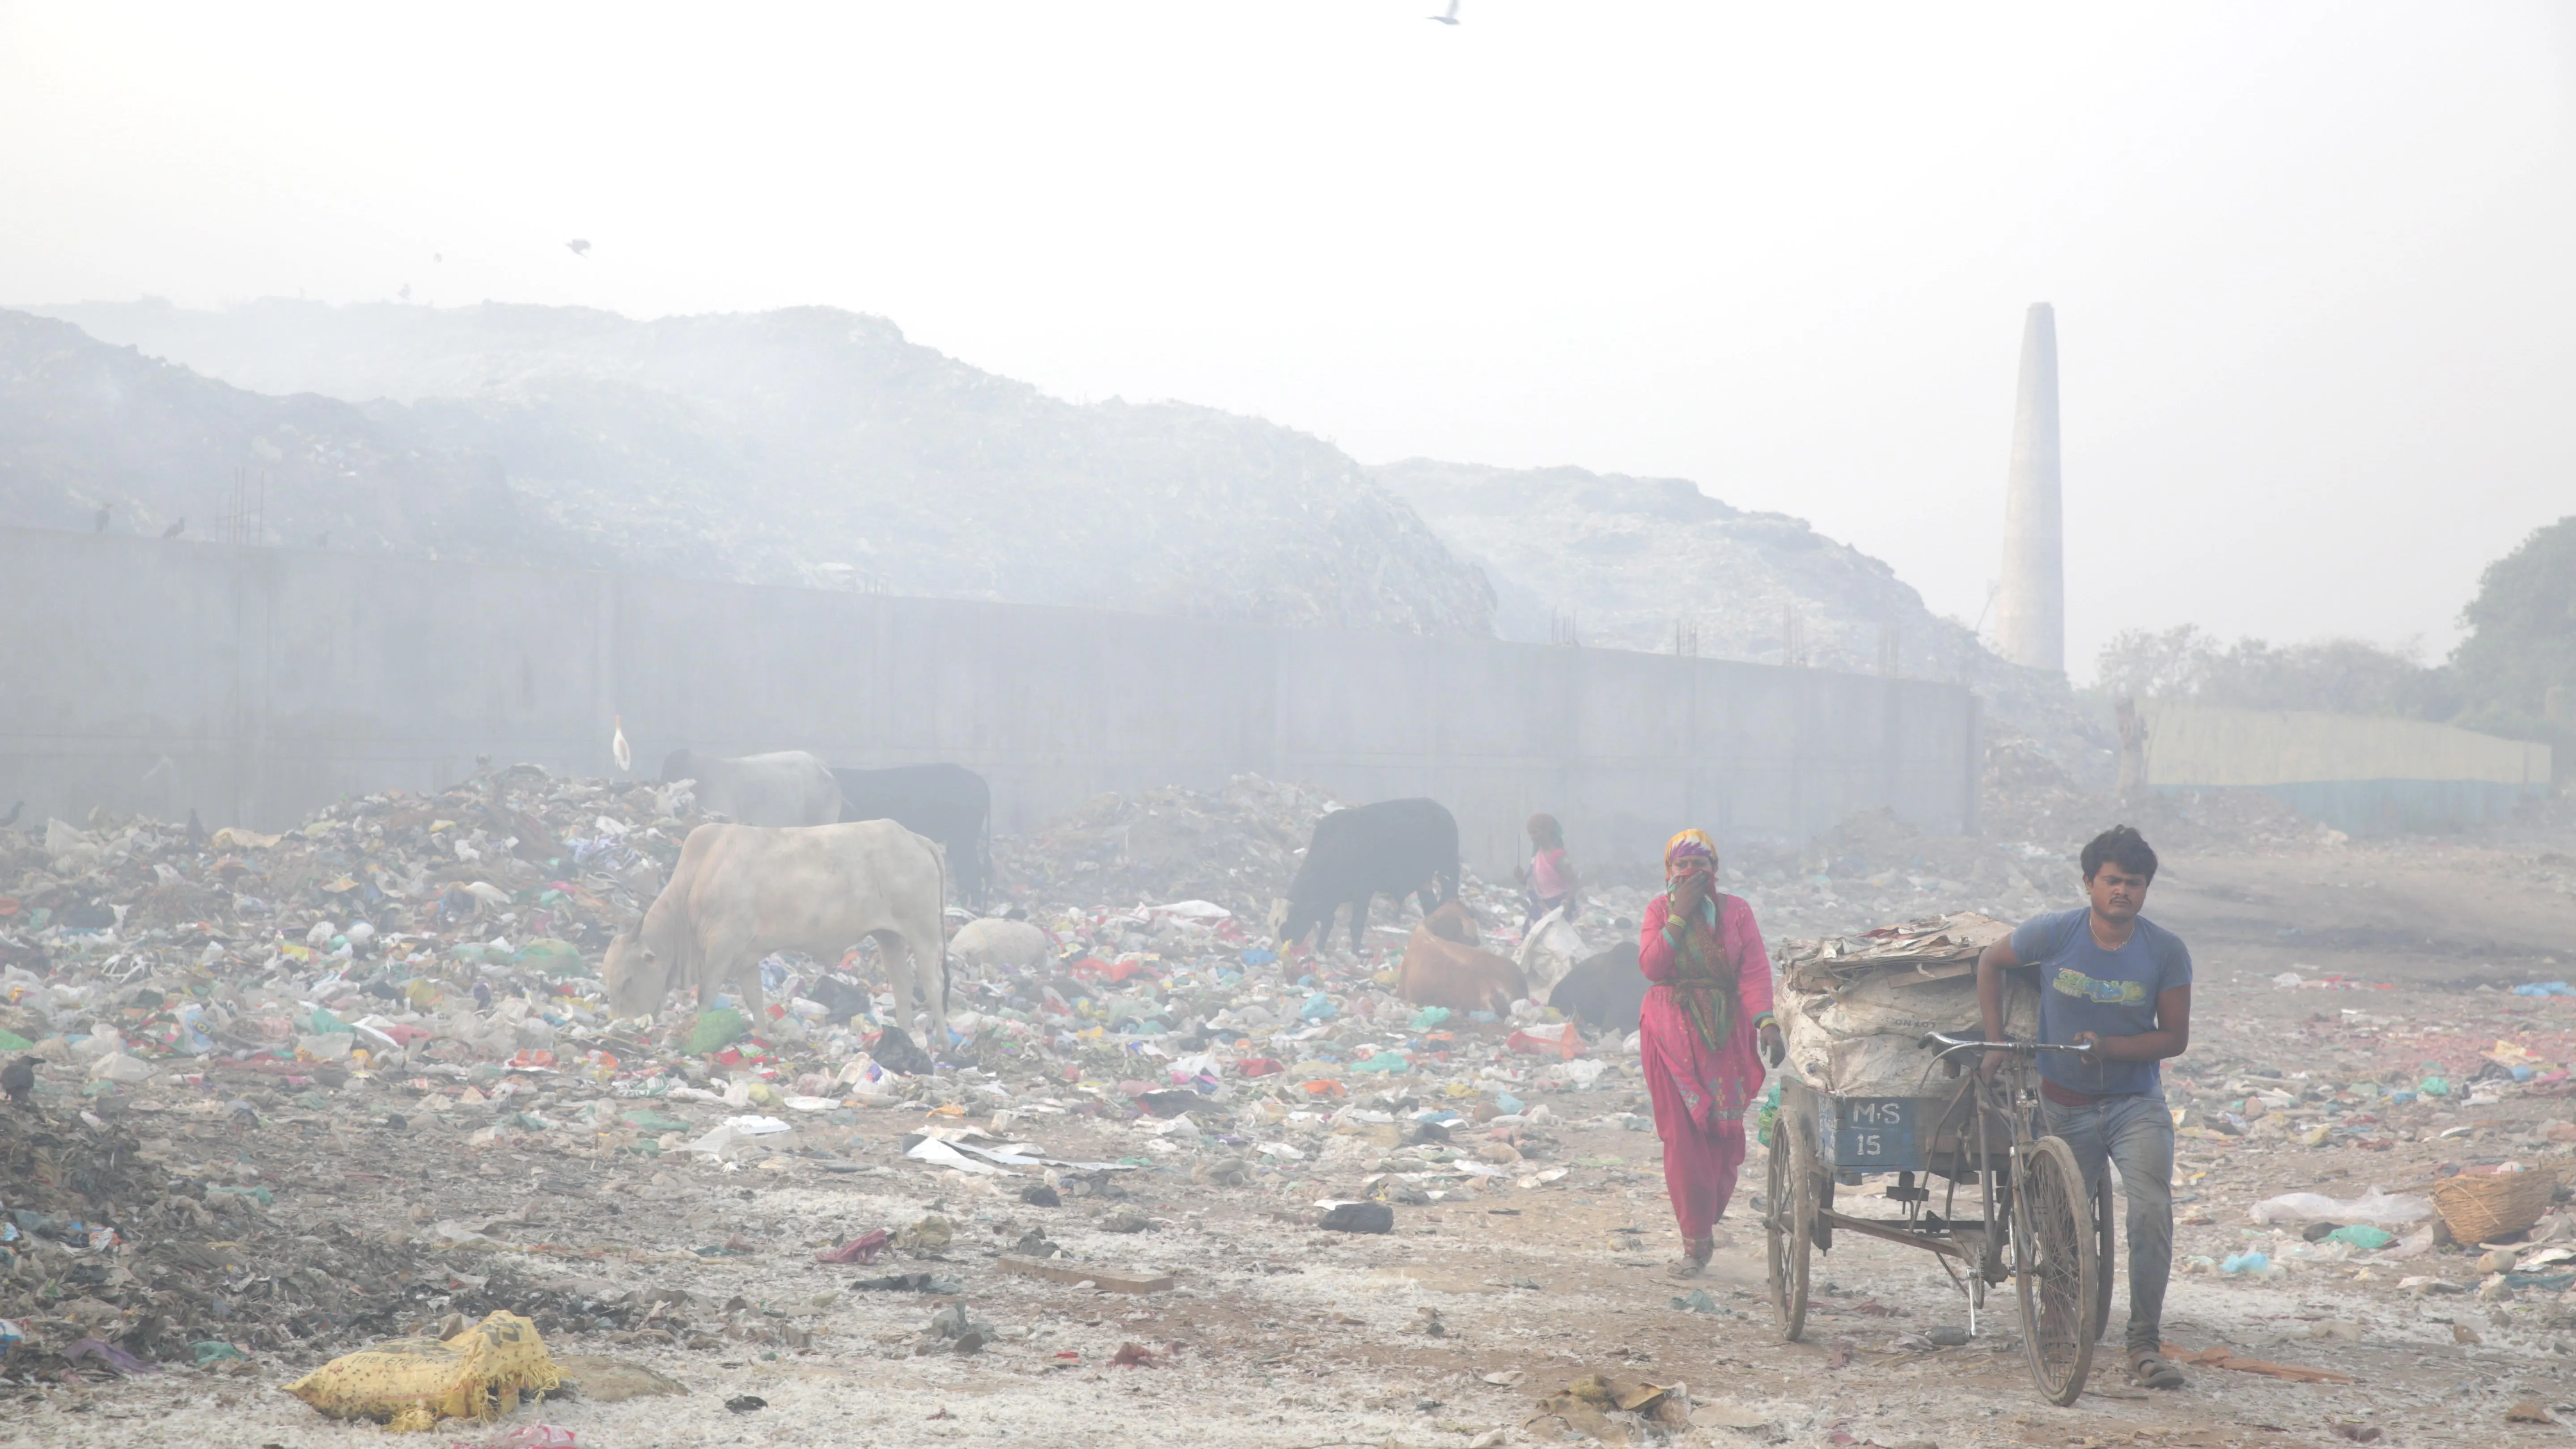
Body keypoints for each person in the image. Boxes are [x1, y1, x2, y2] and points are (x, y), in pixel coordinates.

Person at [1974, 824, 2192, 1390]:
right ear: (2090, 883)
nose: (2123, 891)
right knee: (2060, 1227)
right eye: (2113, 881)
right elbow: (1989, 962)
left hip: (2134, 1103)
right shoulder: (2055, 933)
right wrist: (1995, 1044)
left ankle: (2144, 1343)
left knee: (2150, 1213)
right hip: (2063, 1106)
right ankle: (2057, 1321)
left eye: (2135, 884)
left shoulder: (2165, 951)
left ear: (2146, 890)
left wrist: (2111, 1048)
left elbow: (2174, 1038)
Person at [1636, 829, 1783, 1276]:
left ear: (1715, 871)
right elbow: (1652, 966)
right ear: (1669, 873)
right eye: (1682, 867)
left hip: (1723, 1037)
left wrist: (1767, 1022)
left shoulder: (1736, 913)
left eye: (1700, 866)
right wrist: (1679, 916)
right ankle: (1694, 1244)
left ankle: (1706, 1216)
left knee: (1722, 1138)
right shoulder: (1659, 910)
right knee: (1682, 1139)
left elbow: (1755, 972)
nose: (1691, 874)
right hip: (1669, 1034)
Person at [1523, 813, 1581, 926]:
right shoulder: (1536, 856)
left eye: (1535, 833)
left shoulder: (1558, 856)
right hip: (1540, 909)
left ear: (1548, 832)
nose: (1532, 837)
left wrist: (1567, 901)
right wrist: (1520, 877)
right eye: (1530, 833)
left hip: (1558, 909)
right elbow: (1528, 883)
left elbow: (1575, 883)